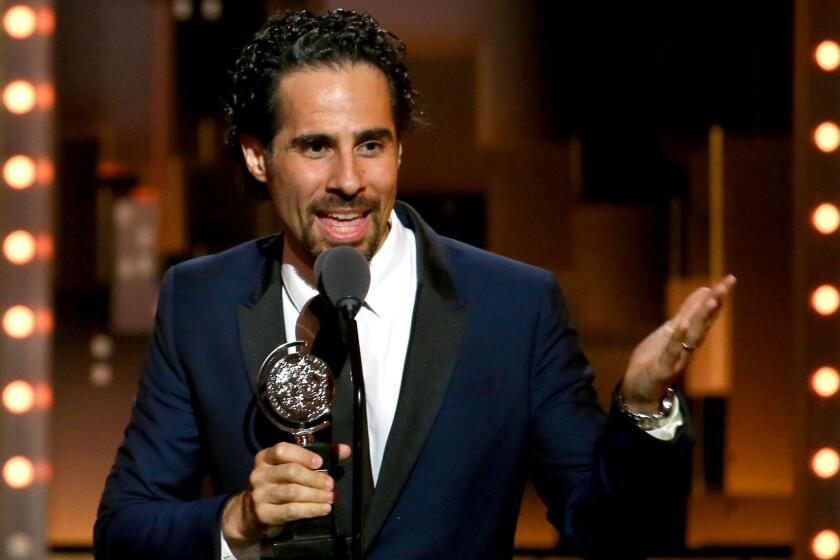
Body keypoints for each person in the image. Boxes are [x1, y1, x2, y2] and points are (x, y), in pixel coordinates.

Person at [94, 9, 735, 560]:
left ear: (400, 151)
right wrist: (237, 520)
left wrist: (644, 408)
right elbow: (124, 530)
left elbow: (610, 534)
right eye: (316, 147)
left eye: (371, 145)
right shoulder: (199, 300)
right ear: (257, 156)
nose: (349, 179)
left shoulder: (512, 308)